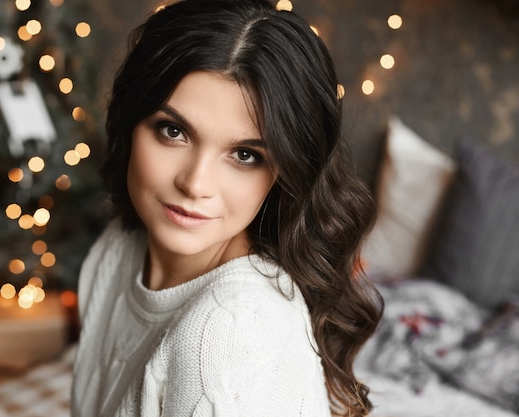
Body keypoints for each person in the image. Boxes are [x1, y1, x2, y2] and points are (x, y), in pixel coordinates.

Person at [71, 0, 383, 416]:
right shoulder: (118, 248)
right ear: (130, 123)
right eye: (173, 131)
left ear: (285, 174)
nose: (195, 184)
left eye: (245, 156)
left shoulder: (229, 331)